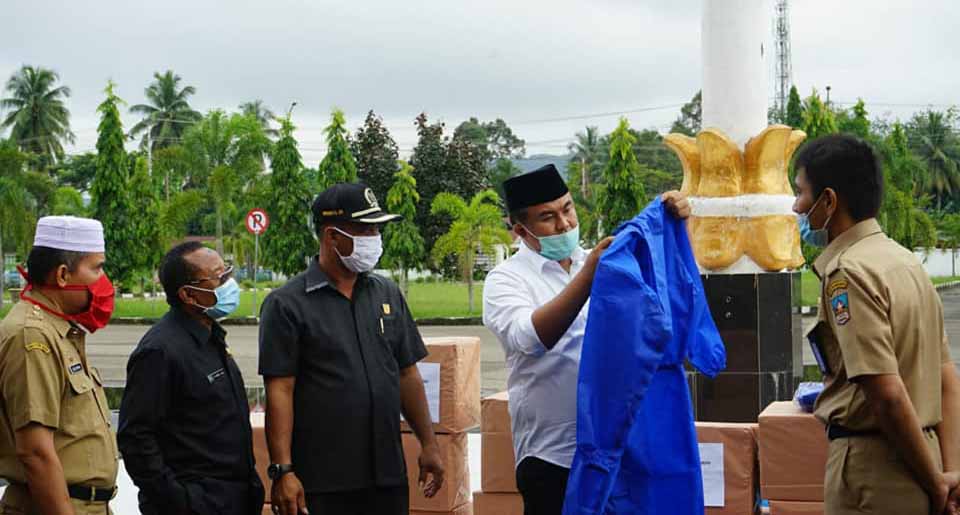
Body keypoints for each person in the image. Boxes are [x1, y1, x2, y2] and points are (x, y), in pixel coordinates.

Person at [482, 164, 691, 515]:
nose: (564, 224)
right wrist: (589, 276)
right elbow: (528, 338)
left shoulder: (607, 262)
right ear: (520, 230)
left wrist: (671, 223)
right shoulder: (506, 280)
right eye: (547, 217)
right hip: (553, 457)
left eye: (568, 209)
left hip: (618, 451)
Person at [795, 134, 960, 515]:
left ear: (829, 201)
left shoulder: (848, 273)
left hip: (875, 471)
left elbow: (886, 394)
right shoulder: (906, 262)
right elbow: (946, 376)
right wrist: (949, 475)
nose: (796, 206)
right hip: (927, 460)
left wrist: (937, 485)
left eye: (800, 192)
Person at [259, 182, 443, 515]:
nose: (375, 238)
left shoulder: (386, 293)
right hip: (323, 479)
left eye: (377, 229)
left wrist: (429, 443)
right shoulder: (286, 305)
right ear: (332, 236)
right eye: (365, 230)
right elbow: (280, 390)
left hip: (386, 474)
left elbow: (407, 373)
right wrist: (283, 470)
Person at [118, 242, 265, 514]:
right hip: (196, 502)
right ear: (188, 294)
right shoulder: (160, 351)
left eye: (227, 272)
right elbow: (135, 438)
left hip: (233, 498)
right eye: (218, 278)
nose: (229, 283)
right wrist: (180, 501)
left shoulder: (210, 336)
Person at [0, 216, 119, 514]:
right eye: (96, 268)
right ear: (63, 275)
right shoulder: (32, 335)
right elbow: (35, 452)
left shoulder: (58, 329)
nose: (105, 282)